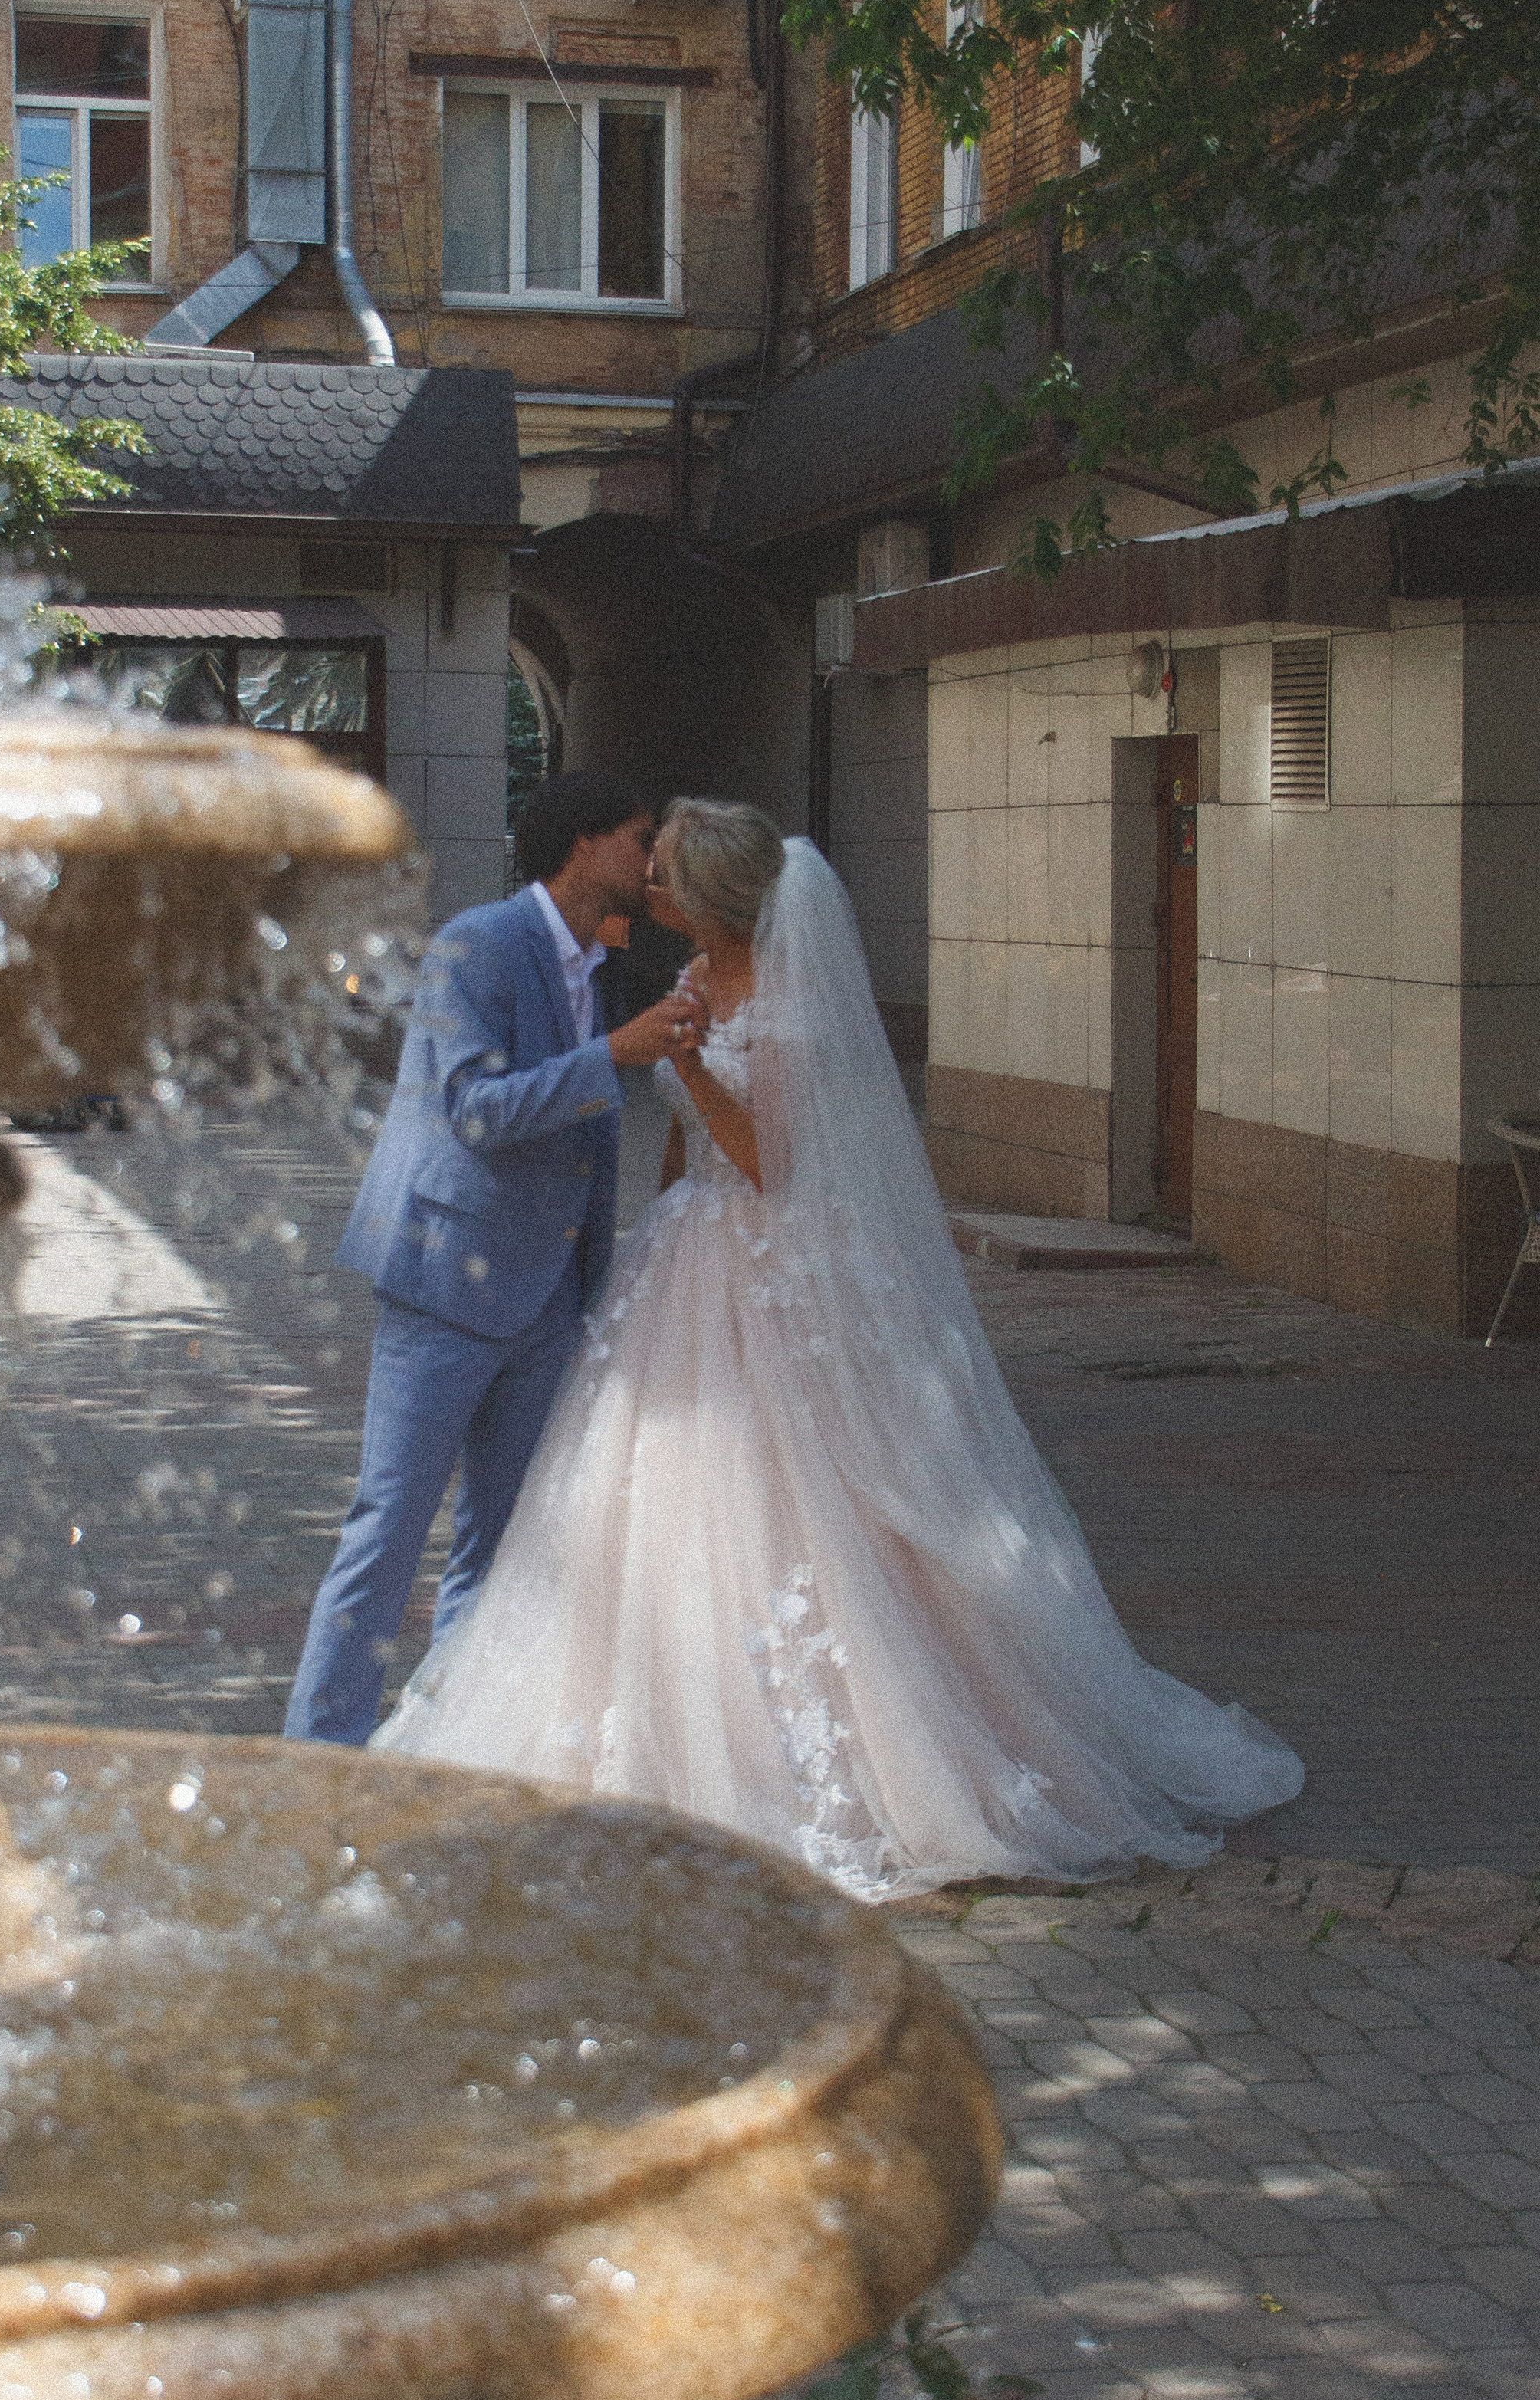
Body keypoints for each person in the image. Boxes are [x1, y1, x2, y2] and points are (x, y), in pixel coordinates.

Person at [376, 799, 1303, 1896]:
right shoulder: (689, 985)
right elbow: (681, 1143)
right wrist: (651, 1234)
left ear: (715, 900)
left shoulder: (786, 1005)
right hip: (686, 1262)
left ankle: (878, 1756)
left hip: (772, 1269)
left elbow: (769, 1162)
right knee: (645, 1497)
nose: (650, 889)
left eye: (667, 876)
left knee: (799, 1500)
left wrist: (695, 1066)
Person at [284, 771, 710, 1747]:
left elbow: (586, 1142)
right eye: (641, 837)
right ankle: (315, 1758)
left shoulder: (598, 962)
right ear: (583, 841)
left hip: (549, 1296)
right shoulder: (476, 945)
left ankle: (445, 1741)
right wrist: (614, 1056)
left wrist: (590, 1281)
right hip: (446, 1282)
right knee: (386, 1536)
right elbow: (474, 1109)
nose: (652, 864)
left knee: (505, 1543)